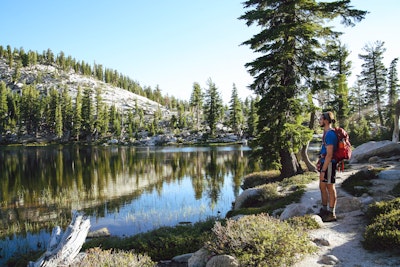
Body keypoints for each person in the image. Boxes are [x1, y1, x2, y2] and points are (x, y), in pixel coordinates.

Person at [317, 111, 338, 222]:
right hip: (324, 162)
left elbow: (329, 155)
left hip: (329, 164)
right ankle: (324, 210)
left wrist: (323, 170)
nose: (319, 121)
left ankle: (331, 213)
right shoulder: (326, 133)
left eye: (320, 119)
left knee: (330, 187)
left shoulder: (330, 134)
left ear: (325, 120)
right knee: (322, 187)